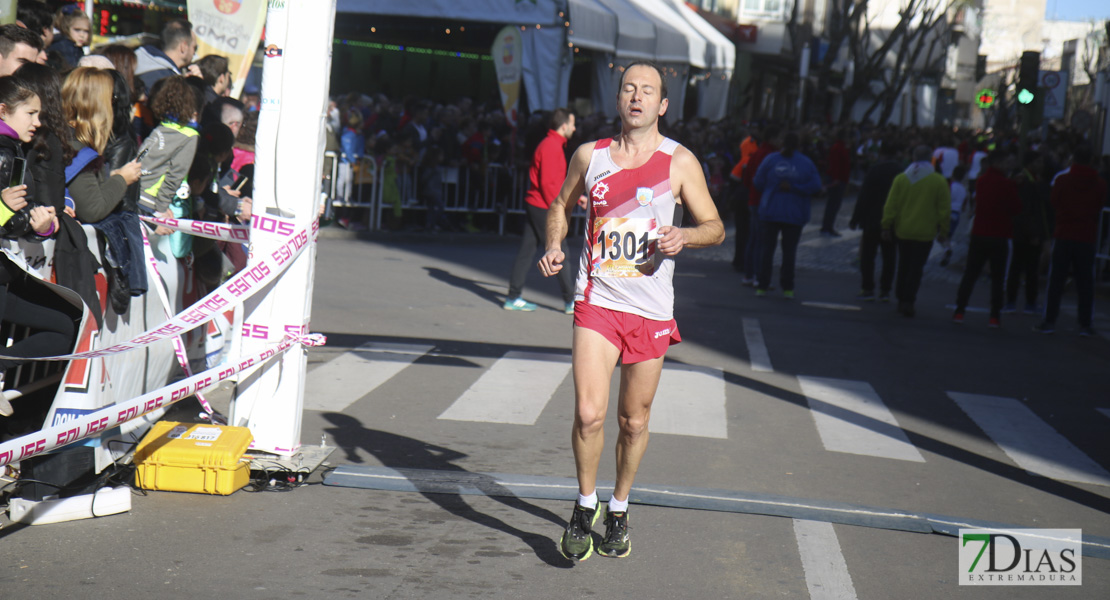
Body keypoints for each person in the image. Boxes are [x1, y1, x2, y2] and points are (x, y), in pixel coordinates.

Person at [538, 62, 724, 560]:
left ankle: (618, 507)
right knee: (588, 414)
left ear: (662, 106)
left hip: (651, 309)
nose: (637, 97)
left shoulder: (679, 162)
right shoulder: (590, 155)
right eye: (629, 89)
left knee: (633, 422)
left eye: (648, 92)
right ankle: (584, 504)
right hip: (598, 300)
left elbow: (715, 226)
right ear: (618, 100)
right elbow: (559, 204)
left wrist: (684, 234)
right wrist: (556, 243)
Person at [0, 75, 70, 417]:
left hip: (6, 275)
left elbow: (14, 216)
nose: (38, 122)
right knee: (63, 327)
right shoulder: (4, 151)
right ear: (4, 110)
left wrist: (41, 226)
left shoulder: (12, 150)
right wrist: (25, 219)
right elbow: (8, 216)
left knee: (64, 327)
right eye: (30, 113)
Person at [505, 108, 577, 313]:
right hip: (544, 205)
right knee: (561, 251)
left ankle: (513, 296)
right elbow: (548, 185)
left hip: (539, 203)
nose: (574, 127)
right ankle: (570, 300)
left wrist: (572, 197)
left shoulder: (551, 144)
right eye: (572, 124)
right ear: (563, 126)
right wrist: (559, 209)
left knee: (527, 251)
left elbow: (553, 183)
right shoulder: (552, 146)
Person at [1035, 145, 1107, 336]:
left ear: (1073, 160)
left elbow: (1055, 202)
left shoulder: (1062, 180)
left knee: (1056, 280)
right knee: (1086, 282)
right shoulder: (1099, 184)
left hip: (1064, 232)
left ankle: (1049, 320)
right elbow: (1099, 204)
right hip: (1087, 235)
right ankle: (1085, 323)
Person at [951, 151, 1021, 327]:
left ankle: (959, 311)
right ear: (998, 163)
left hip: (979, 233)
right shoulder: (1006, 184)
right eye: (1005, 163)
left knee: (970, 274)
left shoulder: (982, 182)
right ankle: (994, 316)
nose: (1008, 166)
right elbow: (1016, 208)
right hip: (999, 234)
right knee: (997, 278)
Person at [881, 145, 950, 317]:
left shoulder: (901, 179)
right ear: (930, 159)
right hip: (925, 232)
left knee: (903, 264)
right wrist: (944, 231)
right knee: (916, 267)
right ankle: (908, 300)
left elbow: (891, 205)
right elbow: (944, 209)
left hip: (903, 229)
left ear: (913, 158)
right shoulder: (938, 181)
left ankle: (900, 296)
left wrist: (886, 225)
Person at [752, 131, 823, 298]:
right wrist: (796, 188)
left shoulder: (771, 160)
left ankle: (762, 285)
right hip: (795, 214)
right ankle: (788, 288)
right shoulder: (806, 163)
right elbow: (816, 185)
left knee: (767, 251)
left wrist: (773, 188)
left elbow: (758, 182)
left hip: (771, 211)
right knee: (789, 252)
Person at [850, 142, 901, 301]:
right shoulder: (901, 172)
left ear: (881, 154)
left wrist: (856, 217)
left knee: (868, 256)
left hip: (872, 218)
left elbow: (864, 196)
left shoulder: (875, 170)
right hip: (892, 220)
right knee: (889, 257)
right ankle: (885, 290)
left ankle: (867, 287)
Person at [1004, 151, 1051, 314]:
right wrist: (1033, 234)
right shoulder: (1025, 181)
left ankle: (1021, 301)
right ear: (1031, 163)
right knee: (1024, 268)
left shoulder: (1032, 180)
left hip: (1024, 232)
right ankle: (1018, 301)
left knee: (1025, 269)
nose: (1042, 165)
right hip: (1024, 234)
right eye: (1038, 162)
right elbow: (1024, 211)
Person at [740, 126, 781, 286]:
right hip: (762, 201)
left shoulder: (758, 153)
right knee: (761, 240)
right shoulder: (769, 156)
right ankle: (757, 274)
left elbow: (747, 178)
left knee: (754, 239)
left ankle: (749, 273)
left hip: (754, 199)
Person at [134, 19, 196, 91]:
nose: (194, 53)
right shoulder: (166, 81)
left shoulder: (138, 63)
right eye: (195, 47)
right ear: (183, 47)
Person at [821, 128, 851, 236]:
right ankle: (827, 226)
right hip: (837, 180)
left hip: (839, 179)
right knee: (833, 204)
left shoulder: (840, 147)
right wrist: (836, 179)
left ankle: (828, 225)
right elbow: (836, 165)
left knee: (834, 204)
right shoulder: (838, 147)